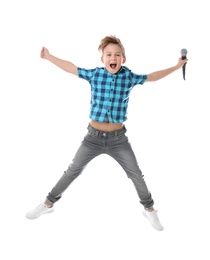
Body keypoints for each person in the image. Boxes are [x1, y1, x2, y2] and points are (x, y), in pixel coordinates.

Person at [26, 35, 187, 231]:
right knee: (72, 171)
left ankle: (150, 209)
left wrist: (177, 66)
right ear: (103, 59)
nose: (113, 58)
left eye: (117, 55)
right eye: (109, 54)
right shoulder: (95, 75)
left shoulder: (129, 77)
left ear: (123, 59)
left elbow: (153, 76)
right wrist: (49, 57)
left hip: (118, 140)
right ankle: (47, 204)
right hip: (92, 138)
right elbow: (71, 68)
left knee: (136, 173)